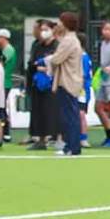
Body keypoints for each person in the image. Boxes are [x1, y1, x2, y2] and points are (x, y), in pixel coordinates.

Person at [47, 13, 85, 157]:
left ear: (66, 23)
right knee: (70, 114)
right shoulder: (71, 39)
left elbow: (56, 59)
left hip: (68, 82)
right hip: (71, 81)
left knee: (69, 115)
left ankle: (71, 146)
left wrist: (48, 59)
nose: (58, 24)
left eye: (61, 21)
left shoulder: (69, 40)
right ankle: (72, 146)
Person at [26, 21, 56, 151]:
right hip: (38, 83)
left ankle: (58, 138)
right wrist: (37, 67)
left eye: (46, 29)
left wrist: (45, 68)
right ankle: (40, 139)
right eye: (42, 29)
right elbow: (32, 63)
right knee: (38, 112)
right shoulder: (37, 46)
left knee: (52, 111)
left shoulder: (57, 46)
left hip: (52, 84)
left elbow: (56, 63)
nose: (43, 32)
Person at [0, 28, 15, 143]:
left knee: (0, 108)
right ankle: (2, 132)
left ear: (4, 38)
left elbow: (2, 62)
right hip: (1, 83)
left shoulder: (8, 50)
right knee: (1, 107)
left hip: (4, 83)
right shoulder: (5, 49)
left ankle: (5, 133)